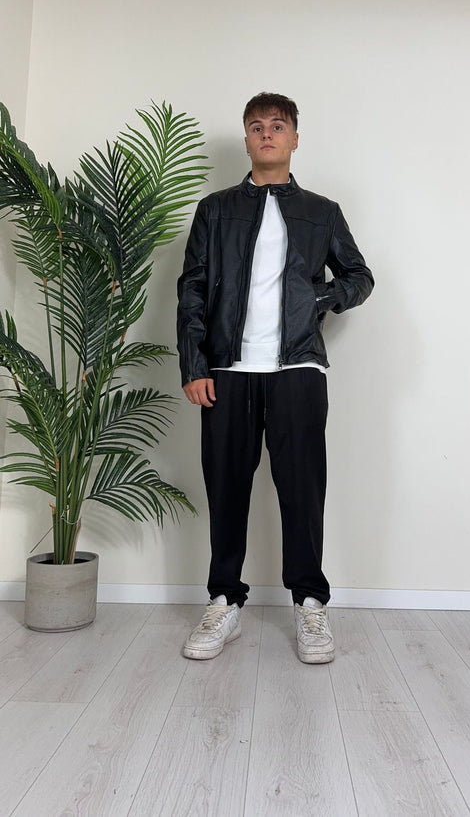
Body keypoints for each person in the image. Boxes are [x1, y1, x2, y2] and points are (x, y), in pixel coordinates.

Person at [177, 92, 374, 663]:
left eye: (278, 126)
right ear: (246, 139)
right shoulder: (215, 209)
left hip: (298, 370)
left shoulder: (321, 210)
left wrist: (321, 297)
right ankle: (223, 601)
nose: (267, 134)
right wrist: (194, 364)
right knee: (226, 490)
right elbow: (192, 288)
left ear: (294, 139)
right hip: (227, 371)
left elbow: (359, 276)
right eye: (257, 126)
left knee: (303, 490)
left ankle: (310, 605)